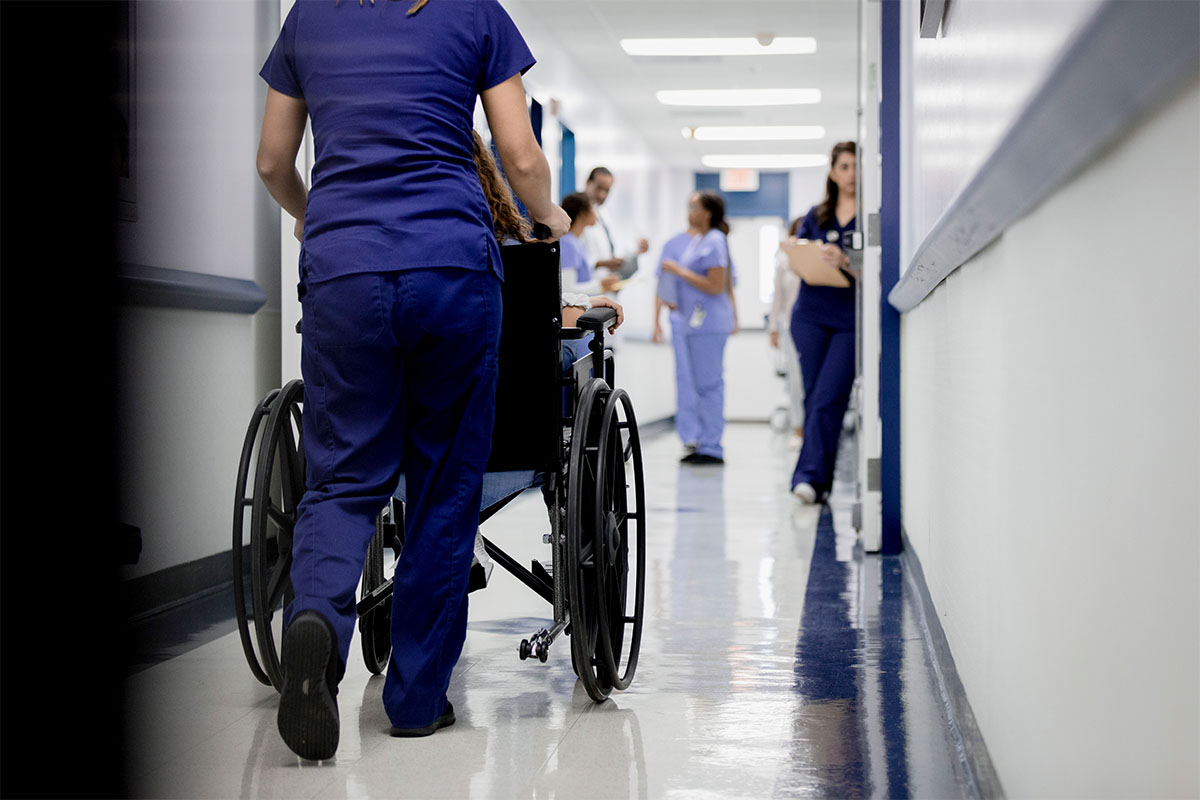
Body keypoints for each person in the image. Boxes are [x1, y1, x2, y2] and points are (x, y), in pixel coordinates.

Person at [255, 0, 571, 759]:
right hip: (451, 268)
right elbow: (518, 155)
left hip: (342, 271)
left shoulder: (308, 17)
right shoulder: (474, 13)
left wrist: (313, 214)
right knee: (444, 485)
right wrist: (551, 219)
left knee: (342, 479)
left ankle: (317, 626)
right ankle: (417, 697)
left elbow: (272, 160)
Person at [788, 141, 860, 504]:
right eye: (844, 166)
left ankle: (809, 477)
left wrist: (845, 261)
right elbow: (800, 258)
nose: (851, 174)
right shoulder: (815, 216)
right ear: (833, 172)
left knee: (829, 397)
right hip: (810, 315)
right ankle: (818, 481)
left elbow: (877, 268)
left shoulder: (873, 214)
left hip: (849, 318)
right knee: (815, 399)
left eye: (856, 166)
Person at [658, 190, 735, 465]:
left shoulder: (715, 241)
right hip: (695, 325)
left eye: (695, 207)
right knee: (700, 386)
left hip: (709, 324)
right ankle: (703, 443)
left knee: (709, 385)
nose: (690, 212)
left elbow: (717, 285)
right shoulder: (699, 241)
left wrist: (680, 271)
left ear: (709, 213)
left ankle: (712, 447)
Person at [769, 215, 807, 449]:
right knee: (796, 382)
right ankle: (799, 429)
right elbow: (778, 300)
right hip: (791, 328)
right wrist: (773, 329)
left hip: (818, 327)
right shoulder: (784, 263)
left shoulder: (820, 259)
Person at [579, 166, 650, 287]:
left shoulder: (603, 215)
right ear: (587, 183)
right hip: (586, 290)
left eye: (607, 190)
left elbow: (611, 250)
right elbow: (571, 260)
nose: (602, 195)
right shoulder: (574, 214)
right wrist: (600, 264)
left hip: (605, 287)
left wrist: (637, 251)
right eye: (599, 188)